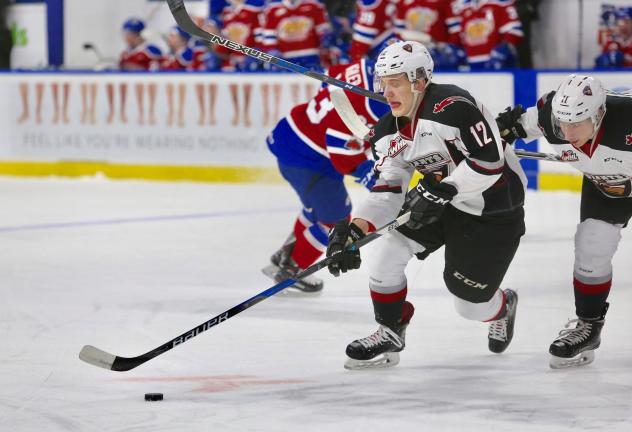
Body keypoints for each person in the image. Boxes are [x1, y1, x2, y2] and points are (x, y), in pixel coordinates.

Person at [325, 40, 527, 369]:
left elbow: (489, 164)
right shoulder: (388, 132)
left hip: (493, 208)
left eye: (395, 83)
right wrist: (355, 228)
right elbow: (388, 189)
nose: (387, 92)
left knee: (469, 303)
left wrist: (444, 190)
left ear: (419, 81)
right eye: (383, 83)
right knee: (386, 252)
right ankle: (390, 330)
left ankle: (502, 306)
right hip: (440, 201)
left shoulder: (454, 107)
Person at [495, 74, 632, 369]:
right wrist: (492, 135)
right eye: (562, 123)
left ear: (598, 114)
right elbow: (512, 127)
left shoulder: (627, 117)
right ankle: (588, 327)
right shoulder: (551, 117)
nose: (567, 132)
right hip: (606, 188)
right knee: (591, 246)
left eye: (577, 123)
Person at [263, 58, 390, 295]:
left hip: (292, 137)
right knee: (335, 218)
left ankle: (285, 254)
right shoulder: (371, 107)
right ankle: (291, 269)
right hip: (310, 159)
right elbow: (343, 158)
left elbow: (330, 75)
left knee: (315, 209)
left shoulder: (363, 68)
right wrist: (372, 179)